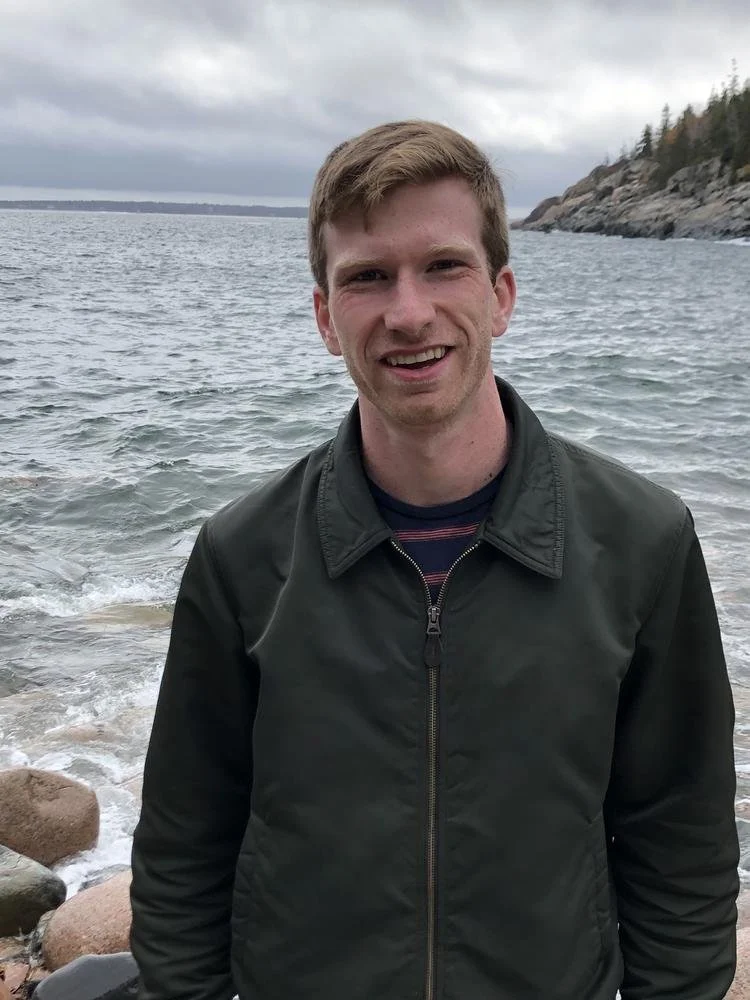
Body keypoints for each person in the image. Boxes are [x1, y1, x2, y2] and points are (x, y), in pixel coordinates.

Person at [130, 120, 739, 1000]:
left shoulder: (642, 540)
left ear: (501, 295)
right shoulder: (242, 554)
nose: (408, 312)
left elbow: (680, 832)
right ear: (325, 317)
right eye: (367, 277)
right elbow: (188, 836)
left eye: (443, 266)